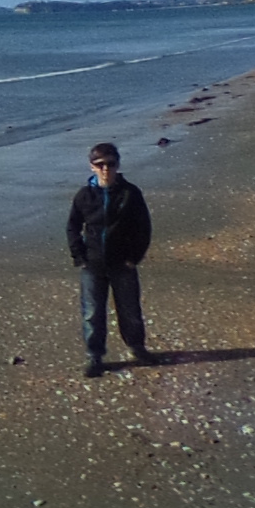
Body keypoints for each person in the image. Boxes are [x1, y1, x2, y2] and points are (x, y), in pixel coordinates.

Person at [64, 141, 153, 375]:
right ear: (92, 166)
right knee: (92, 313)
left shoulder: (130, 193)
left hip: (123, 264)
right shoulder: (84, 196)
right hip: (92, 265)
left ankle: (137, 348)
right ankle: (94, 356)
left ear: (117, 165)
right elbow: (73, 227)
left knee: (130, 310)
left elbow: (143, 227)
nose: (106, 169)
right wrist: (79, 256)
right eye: (100, 164)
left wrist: (134, 257)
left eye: (110, 164)